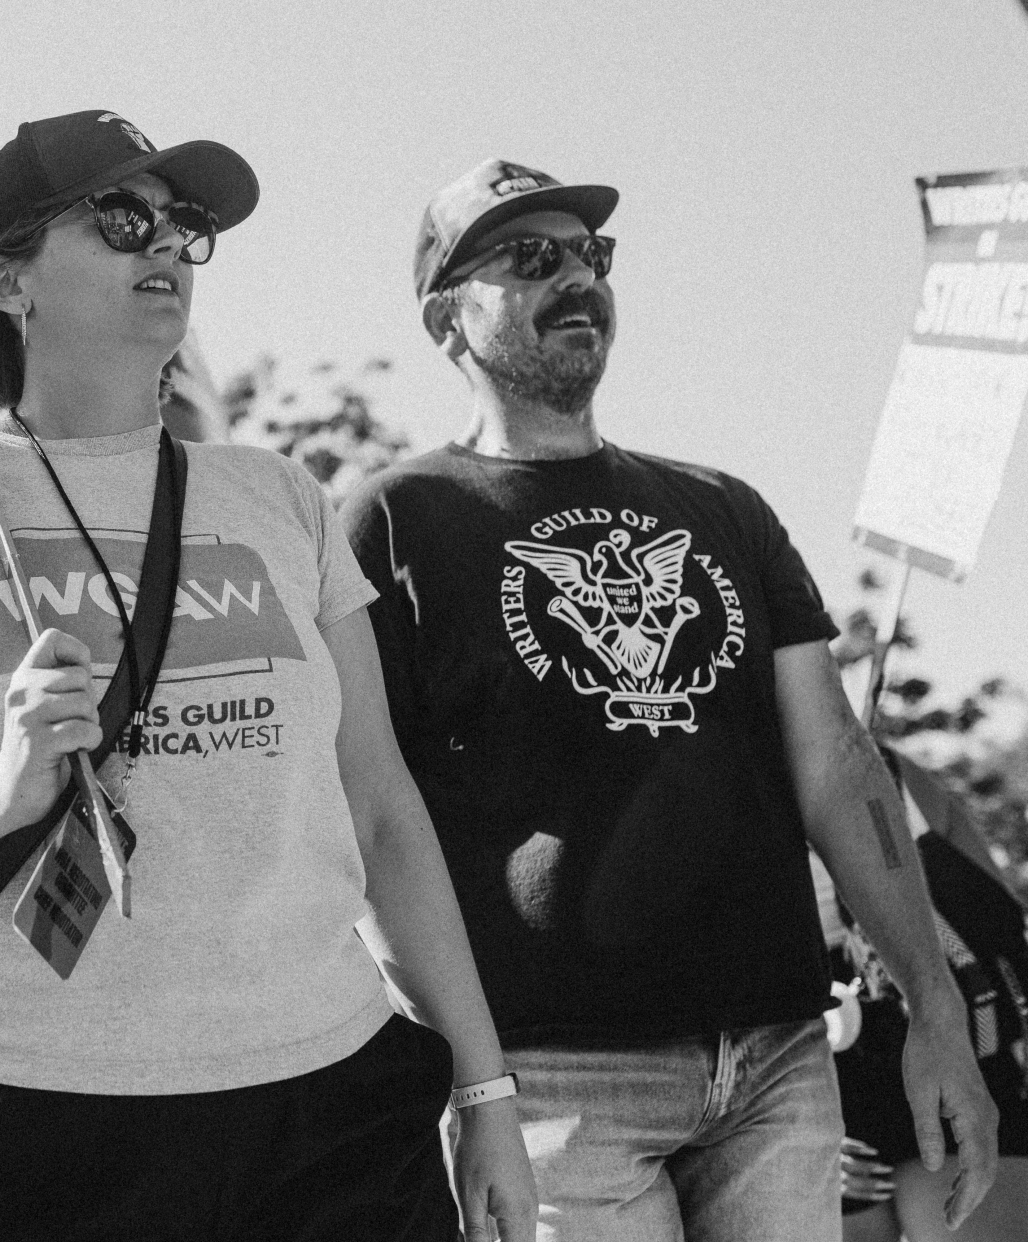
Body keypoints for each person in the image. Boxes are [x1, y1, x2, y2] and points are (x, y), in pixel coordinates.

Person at [0, 111, 536, 1242]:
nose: (163, 242)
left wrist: (484, 1091)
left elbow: (381, 811)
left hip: (326, 1111)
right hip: (16, 1119)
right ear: (6, 279)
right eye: (121, 218)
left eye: (185, 224)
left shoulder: (281, 497)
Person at [340, 157, 999, 1241]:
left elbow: (836, 767)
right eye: (531, 259)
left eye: (592, 256)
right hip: (550, 1075)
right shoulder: (390, 521)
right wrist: (474, 1087)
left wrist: (933, 1006)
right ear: (444, 319)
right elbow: (368, 819)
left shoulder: (722, 507)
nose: (578, 279)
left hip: (780, 1059)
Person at [827, 752, 1028, 1242]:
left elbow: (1001, 937)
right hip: (828, 1087)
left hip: (945, 1066)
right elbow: (1001, 926)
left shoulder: (888, 772)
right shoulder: (882, 768)